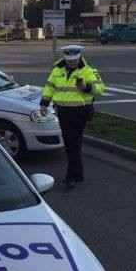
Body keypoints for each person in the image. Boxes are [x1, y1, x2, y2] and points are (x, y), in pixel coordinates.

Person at [39, 44, 105, 190]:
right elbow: (49, 87)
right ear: (65, 58)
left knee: (74, 144)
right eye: (69, 60)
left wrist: (86, 88)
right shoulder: (57, 70)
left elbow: (100, 88)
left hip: (79, 112)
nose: (72, 63)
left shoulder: (88, 71)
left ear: (79, 57)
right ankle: (79, 173)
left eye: (74, 60)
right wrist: (44, 103)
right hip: (62, 111)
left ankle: (71, 176)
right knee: (69, 144)